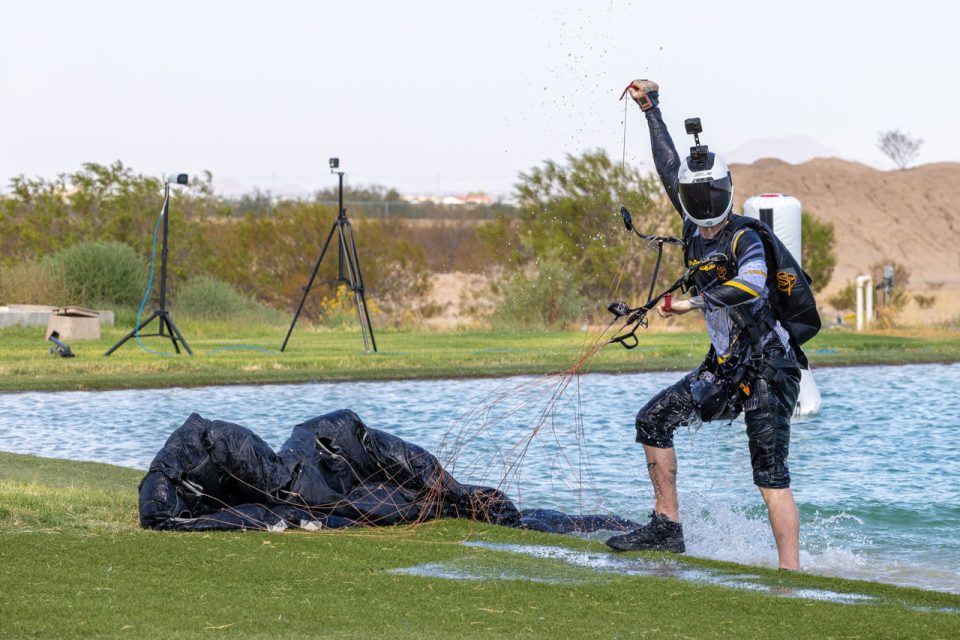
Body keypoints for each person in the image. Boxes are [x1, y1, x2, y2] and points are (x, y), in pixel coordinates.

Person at [605, 80, 804, 570]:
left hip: (768, 368)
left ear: (727, 192)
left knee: (769, 476)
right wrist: (650, 108)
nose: (707, 212)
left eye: (712, 198)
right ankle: (667, 528)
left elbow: (753, 285)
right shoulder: (693, 224)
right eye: (697, 199)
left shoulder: (745, 239)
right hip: (725, 365)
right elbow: (668, 164)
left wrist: (691, 305)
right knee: (652, 421)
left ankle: (791, 576)